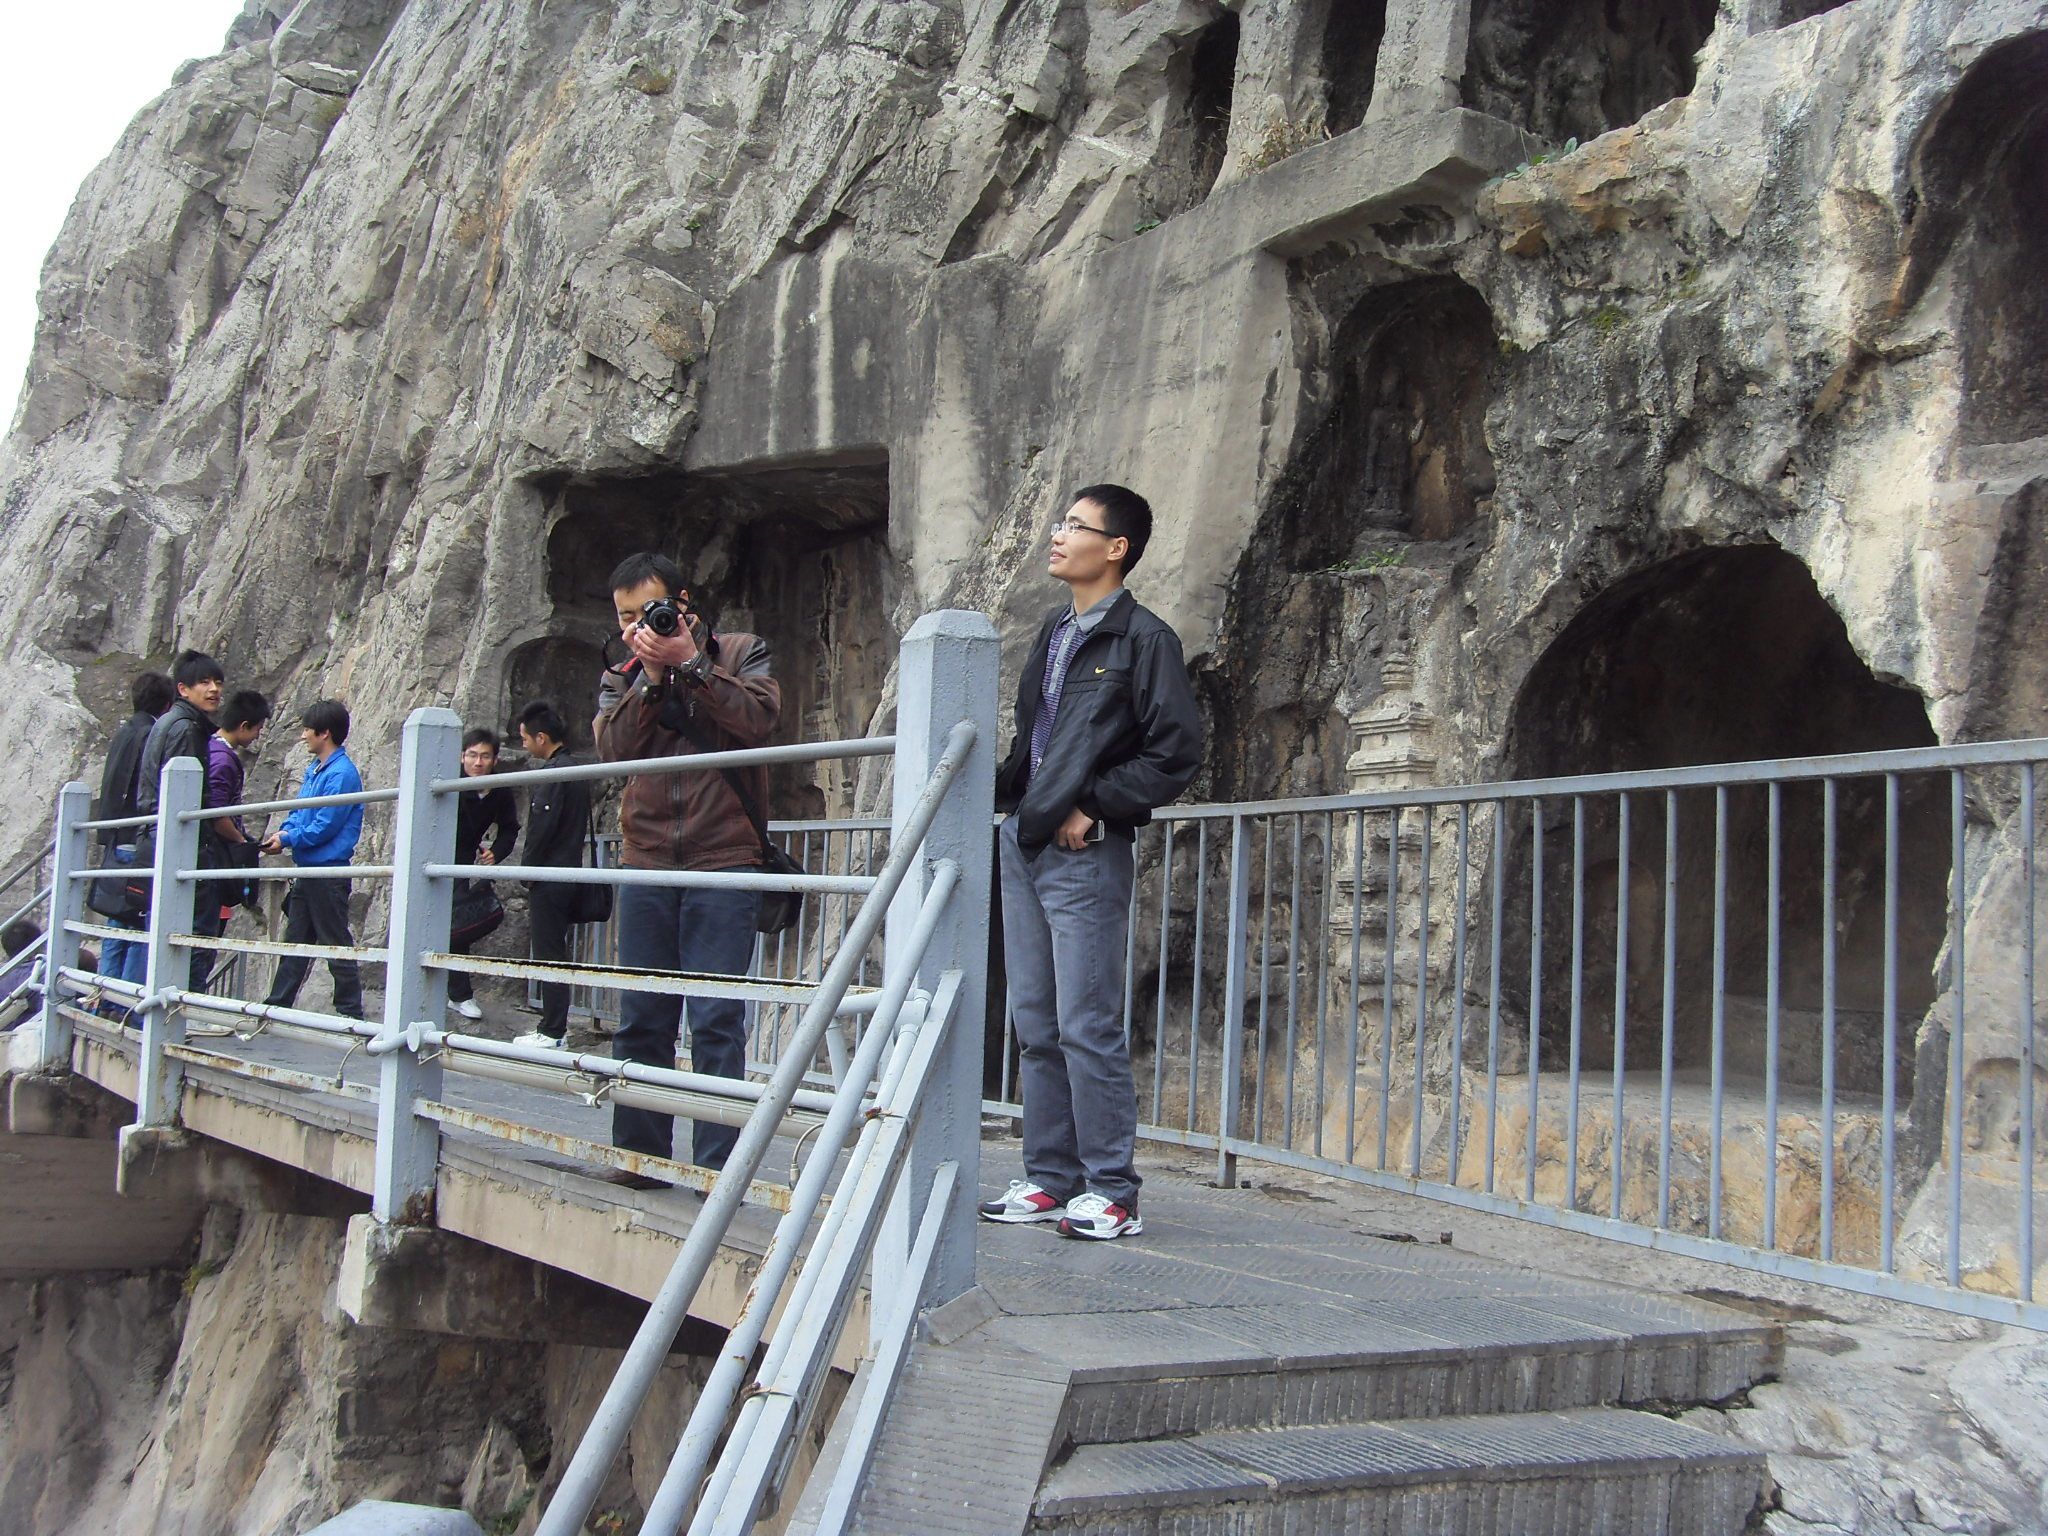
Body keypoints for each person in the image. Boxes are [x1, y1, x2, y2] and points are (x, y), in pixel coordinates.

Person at [978, 485, 1202, 1241]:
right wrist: (999, 795)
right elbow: (1033, 742)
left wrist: (1094, 804)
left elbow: (1176, 753)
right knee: (1036, 1023)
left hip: (1085, 849)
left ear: (1116, 549)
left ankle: (1111, 1190)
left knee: (1086, 1024)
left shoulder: (1145, 640)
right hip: (1026, 840)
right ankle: (1049, 1178)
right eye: (1060, 521)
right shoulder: (1055, 630)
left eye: (1076, 525)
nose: (1058, 533)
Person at [594, 552, 778, 1181]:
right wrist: (648, 675)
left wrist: (691, 666)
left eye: (648, 611)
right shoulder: (622, 671)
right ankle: (637, 1156)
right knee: (642, 1014)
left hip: (723, 854)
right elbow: (613, 749)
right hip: (646, 857)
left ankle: (718, 1170)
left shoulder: (741, 650)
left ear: (681, 600)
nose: (638, 625)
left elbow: (759, 720)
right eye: (625, 618)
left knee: (716, 1018)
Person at [260, 700, 366, 1019]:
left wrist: (289, 838)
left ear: (325, 733)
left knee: (335, 940)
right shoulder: (316, 770)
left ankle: (350, 1010)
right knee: (296, 940)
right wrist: (285, 832)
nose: (304, 735)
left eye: (308, 729)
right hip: (308, 869)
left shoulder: (342, 774)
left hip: (328, 870)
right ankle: (278, 1004)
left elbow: (326, 824)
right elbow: (300, 812)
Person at [512, 703, 589, 1049]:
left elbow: (541, 829)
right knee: (555, 949)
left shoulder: (555, 774)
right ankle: (552, 1024)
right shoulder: (574, 769)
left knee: (549, 951)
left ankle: (553, 1028)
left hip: (550, 874)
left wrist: (527, 871)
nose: (525, 745)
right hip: (567, 868)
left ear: (542, 737)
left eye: (526, 738)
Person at [94, 671, 174, 986]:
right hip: (136, 837)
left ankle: (105, 990)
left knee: (117, 918)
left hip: (116, 835)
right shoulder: (151, 735)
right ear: (168, 704)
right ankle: (127, 993)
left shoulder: (125, 732)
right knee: (140, 918)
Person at [192, 691, 271, 993]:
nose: (257, 736)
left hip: (204, 853)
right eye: (258, 729)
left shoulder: (208, 747)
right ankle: (191, 1002)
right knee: (205, 937)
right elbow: (218, 812)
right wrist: (242, 842)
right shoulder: (224, 760)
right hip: (215, 856)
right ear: (245, 726)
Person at [449, 727, 519, 1021]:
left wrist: (495, 852)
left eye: (485, 756)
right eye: (472, 755)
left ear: (495, 760)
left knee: (457, 925)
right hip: (434, 856)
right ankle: (458, 993)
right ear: (462, 756)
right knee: (443, 925)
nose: (478, 763)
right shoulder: (450, 781)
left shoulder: (499, 789)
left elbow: (509, 827)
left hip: (463, 861)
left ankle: (459, 994)